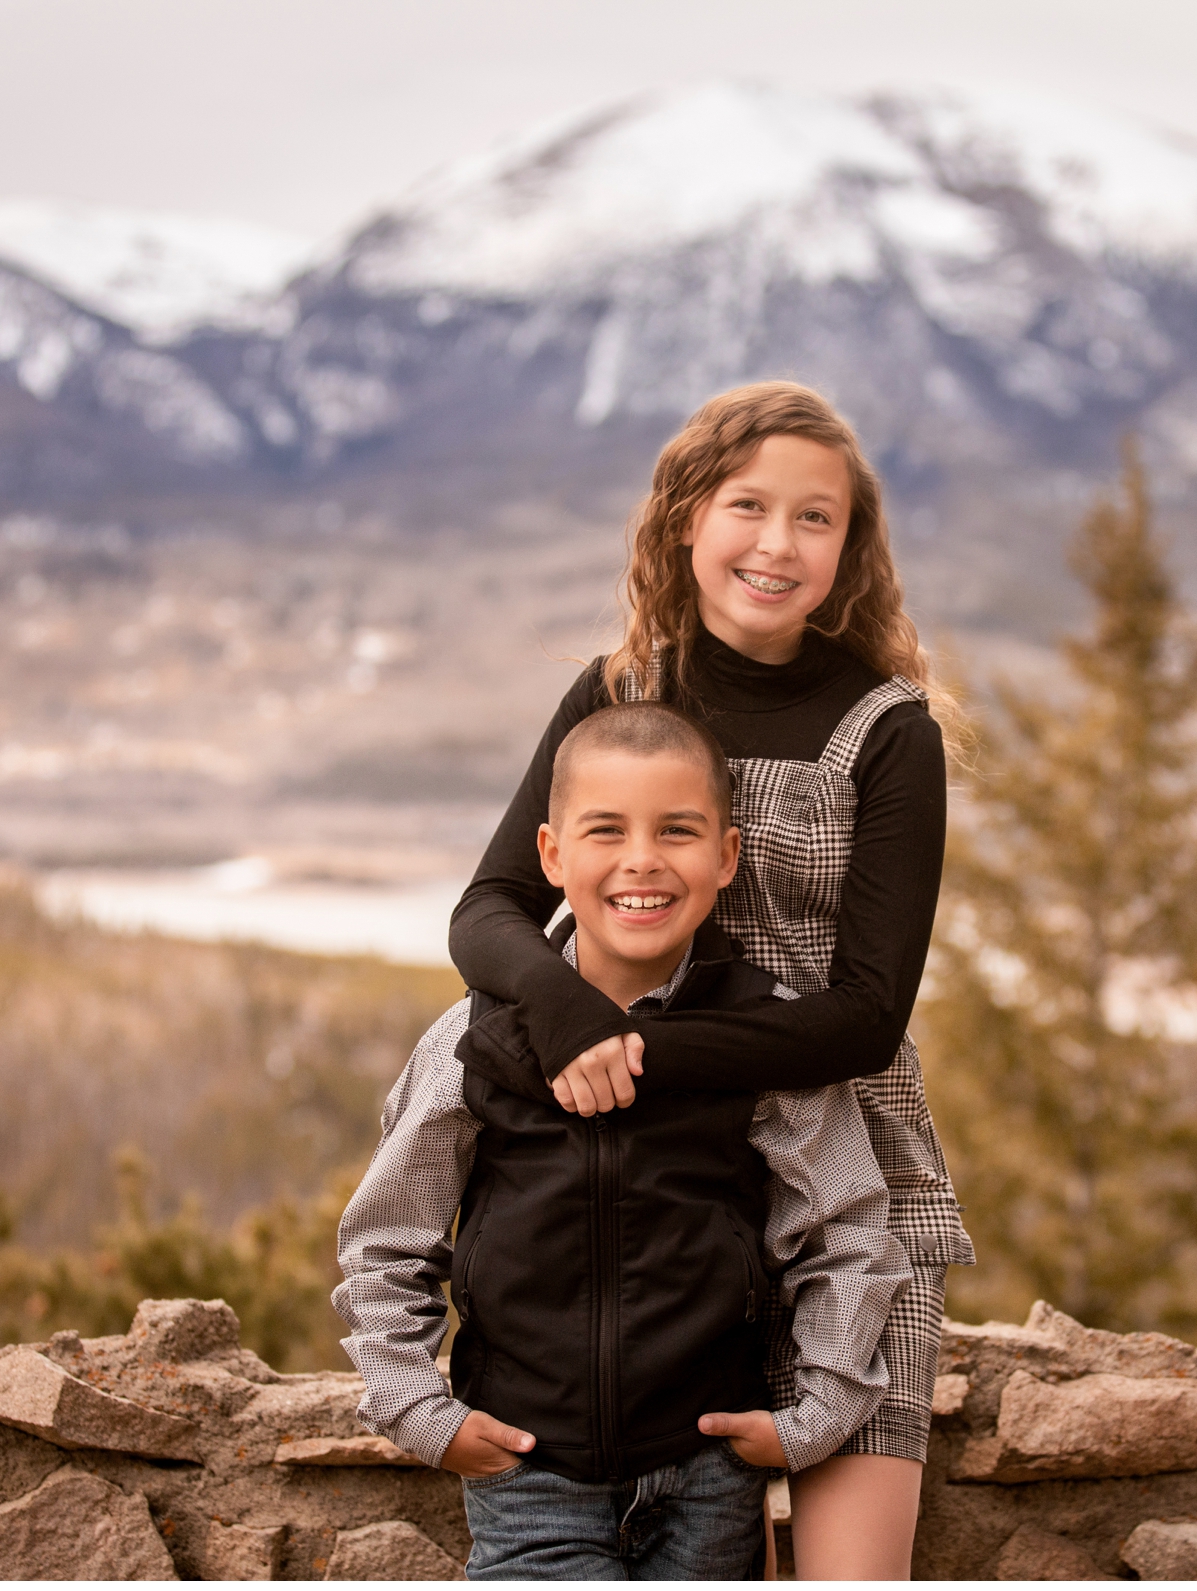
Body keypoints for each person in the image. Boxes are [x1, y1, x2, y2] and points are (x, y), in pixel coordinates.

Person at [450, 381, 973, 1579]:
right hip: (635, 1183)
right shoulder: (618, 693)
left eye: (816, 519)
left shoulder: (889, 730)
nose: (778, 544)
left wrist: (634, 1052)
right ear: (687, 519)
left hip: (842, 1187)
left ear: (850, 550)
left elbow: (866, 1015)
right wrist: (569, 1008)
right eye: (749, 505)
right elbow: (489, 910)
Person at [335, 701, 910, 1580]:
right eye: (606, 830)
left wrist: (813, 1417)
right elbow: (386, 1237)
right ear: (552, 855)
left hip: (711, 1476)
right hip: (530, 1471)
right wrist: (419, 1408)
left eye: (677, 830)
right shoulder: (475, 1040)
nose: (642, 858)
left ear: (727, 855)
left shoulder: (766, 1038)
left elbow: (846, 1233)